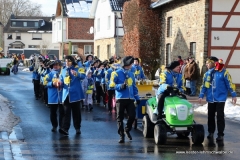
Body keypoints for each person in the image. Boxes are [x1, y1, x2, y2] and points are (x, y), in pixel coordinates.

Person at [199, 57, 237, 141]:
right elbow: (204, 85)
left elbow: (229, 84)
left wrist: (233, 95)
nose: (206, 64)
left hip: (220, 98)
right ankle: (211, 132)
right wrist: (201, 95)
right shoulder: (207, 74)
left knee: (220, 116)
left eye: (208, 62)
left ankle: (220, 134)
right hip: (210, 98)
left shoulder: (224, 72)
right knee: (210, 116)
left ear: (214, 63)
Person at [109, 56, 140, 143]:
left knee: (132, 116)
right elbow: (111, 85)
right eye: (131, 64)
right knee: (120, 118)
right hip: (121, 98)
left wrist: (137, 97)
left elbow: (134, 87)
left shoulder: (131, 73)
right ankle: (121, 135)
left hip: (130, 98)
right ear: (128, 64)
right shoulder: (116, 73)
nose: (132, 65)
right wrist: (120, 86)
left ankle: (127, 129)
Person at [59, 56, 86, 135]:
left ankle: (77, 128)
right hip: (66, 94)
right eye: (66, 61)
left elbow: (83, 76)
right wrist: (59, 83)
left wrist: (76, 74)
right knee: (66, 112)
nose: (67, 63)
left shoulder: (78, 68)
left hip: (75, 94)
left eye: (69, 61)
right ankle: (65, 129)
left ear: (72, 62)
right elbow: (61, 79)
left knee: (76, 113)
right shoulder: (63, 70)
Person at [44, 60, 64, 132]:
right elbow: (45, 82)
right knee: (53, 112)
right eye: (54, 65)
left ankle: (62, 127)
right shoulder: (49, 74)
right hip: (52, 96)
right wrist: (52, 84)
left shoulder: (63, 73)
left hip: (62, 96)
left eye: (57, 65)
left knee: (62, 112)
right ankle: (54, 125)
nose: (56, 66)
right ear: (52, 66)